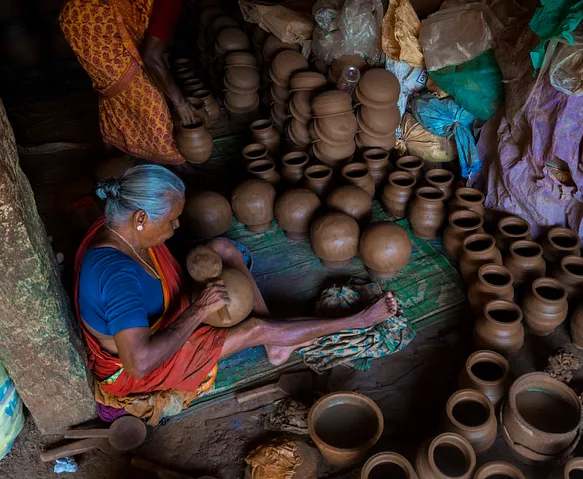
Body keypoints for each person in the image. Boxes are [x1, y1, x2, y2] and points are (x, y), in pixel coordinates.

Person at [75, 165, 397, 421]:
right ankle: (356, 320)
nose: (175, 228)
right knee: (254, 328)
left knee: (221, 247)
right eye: (172, 220)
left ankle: (277, 342)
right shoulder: (114, 274)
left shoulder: (117, 226)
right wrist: (199, 310)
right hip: (142, 367)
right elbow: (140, 362)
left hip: (160, 314)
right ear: (141, 218)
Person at [60, 0, 195, 165]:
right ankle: (173, 159)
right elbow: (151, 57)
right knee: (143, 95)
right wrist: (180, 102)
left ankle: (114, 141)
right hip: (89, 22)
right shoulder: (170, 3)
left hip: (104, 14)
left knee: (133, 85)